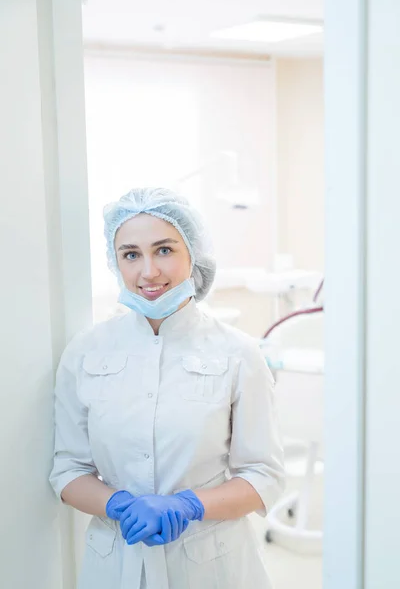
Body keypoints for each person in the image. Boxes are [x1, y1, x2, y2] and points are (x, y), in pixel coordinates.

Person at [49, 187, 285, 589]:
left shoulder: (238, 353)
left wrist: (189, 506)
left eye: (164, 250)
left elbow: (264, 475)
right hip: (114, 564)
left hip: (212, 566)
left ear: (192, 254)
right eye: (131, 254)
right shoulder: (86, 352)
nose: (148, 272)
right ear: (116, 261)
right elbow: (68, 470)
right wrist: (118, 505)